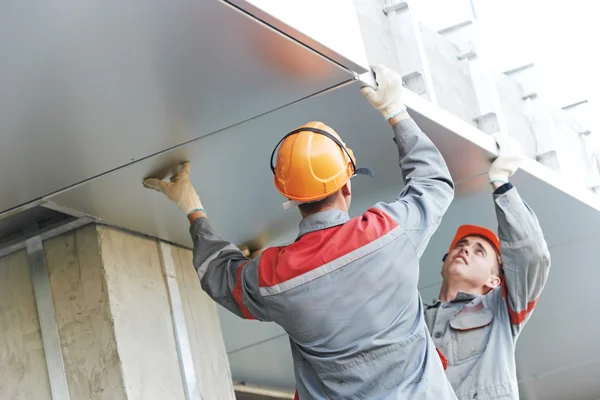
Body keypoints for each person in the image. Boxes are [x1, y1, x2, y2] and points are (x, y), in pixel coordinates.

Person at [144, 64, 457, 399]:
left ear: (290, 199)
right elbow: (433, 183)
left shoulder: (275, 275)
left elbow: (219, 276)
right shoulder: (388, 234)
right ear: (346, 186)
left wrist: (194, 211)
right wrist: (395, 111)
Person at [424, 134, 551, 400]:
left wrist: (501, 182)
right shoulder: (413, 317)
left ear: (495, 281)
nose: (465, 249)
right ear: (443, 265)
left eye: (479, 251)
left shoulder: (501, 310)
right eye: (461, 245)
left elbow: (532, 256)